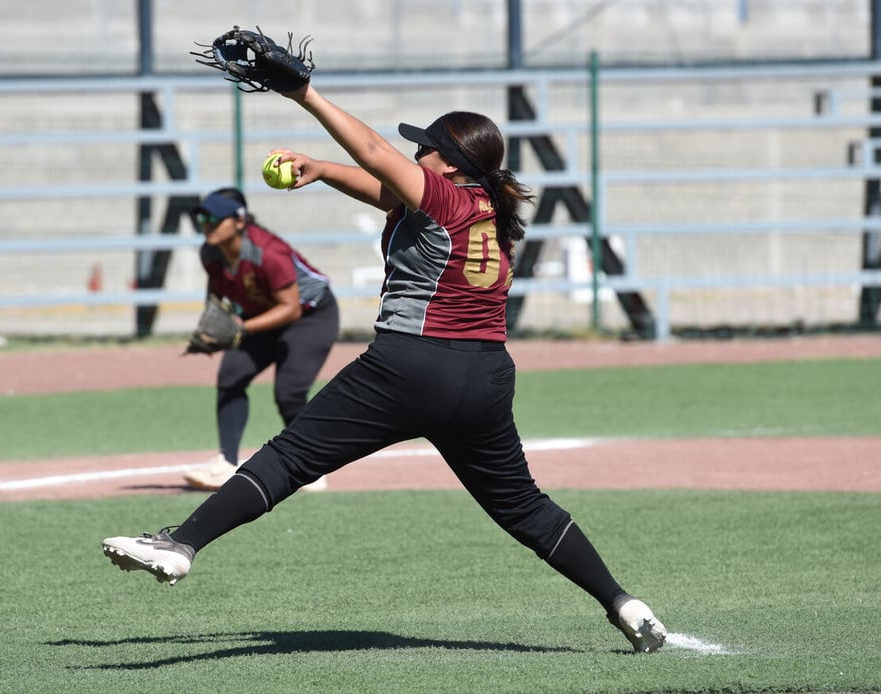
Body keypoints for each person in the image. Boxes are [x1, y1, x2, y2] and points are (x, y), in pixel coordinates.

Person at [103, 81, 668, 653]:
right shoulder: (489, 209)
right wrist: (322, 168)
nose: (417, 155)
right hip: (486, 376)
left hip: (410, 364)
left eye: (426, 149)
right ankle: (624, 603)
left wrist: (305, 93)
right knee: (523, 507)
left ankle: (181, 544)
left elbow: (375, 155)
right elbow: (382, 186)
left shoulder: (442, 200)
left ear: (448, 164)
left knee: (290, 456)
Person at [182, 187, 339, 492]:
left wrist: (240, 329)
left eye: (214, 219)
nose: (206, 225)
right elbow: (217, 296)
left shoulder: (268, 252)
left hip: (311, 316)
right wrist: (211, 327)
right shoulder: (211, 252)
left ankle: (311, 466)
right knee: (231, 376)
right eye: (202, 218)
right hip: (263, 317)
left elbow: (290, 308)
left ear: (240, 222)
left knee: (289, 392)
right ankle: (226, 463)